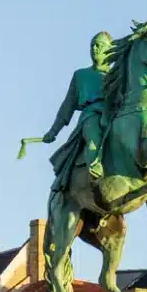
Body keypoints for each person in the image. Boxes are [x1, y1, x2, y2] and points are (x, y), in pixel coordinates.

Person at [44, 31, 113, 184]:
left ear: (109, 49)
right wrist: (53, 131)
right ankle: (95, 167)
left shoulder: (117, 73)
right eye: (92, 45)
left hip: (115, 114)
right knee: (93, 134)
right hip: (92, 115)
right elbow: (67, 106)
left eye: (99, 45)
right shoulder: (80, 75)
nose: (94, 48)